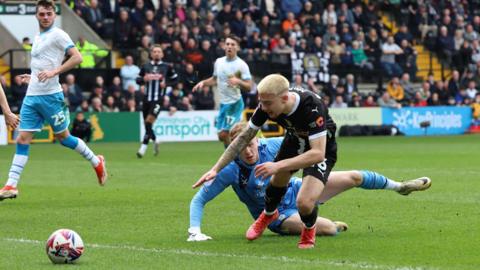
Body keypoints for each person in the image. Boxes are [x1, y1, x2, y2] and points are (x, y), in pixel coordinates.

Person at [188, 123, 431, 241]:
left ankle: (401, 187)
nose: (249, 151)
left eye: (251, 144)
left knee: (354, 177)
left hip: (297, 189)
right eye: (242, 147)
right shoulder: (230, 171)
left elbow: (302, 138)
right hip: (278, 216)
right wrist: (195, 231)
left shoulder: (271, 145)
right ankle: (332, 223)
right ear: (234, 149)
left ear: (258, 140)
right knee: (328, 230)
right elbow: (200, 199)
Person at [193, 74, 340, 249]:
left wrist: (276, 165)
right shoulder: (268, 102)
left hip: (321, 148)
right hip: (295, 139)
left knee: (304, 203)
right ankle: (269, 214)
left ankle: (308, 231)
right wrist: (216, 169)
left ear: (284, 99)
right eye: (261, 102)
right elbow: (242, 139)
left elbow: (317, 153)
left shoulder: (312, 107)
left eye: (267, 103)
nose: (263, 107)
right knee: (277, 180)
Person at [0, 0, 107, 202]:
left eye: (49, 13)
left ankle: (96, 161)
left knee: (64, 138)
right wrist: (32, 77)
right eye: (42, 14)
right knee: (22, 138)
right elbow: (42, 64)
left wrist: (54, 72)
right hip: (32, 96)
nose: (46, 17)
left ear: (54, 15)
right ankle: (11, 184)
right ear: (36, 15)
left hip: (51, 97)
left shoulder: (59, 34)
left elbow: (77, 58)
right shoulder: (39, 37)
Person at [192, 35, 252, 148]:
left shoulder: (242, 65)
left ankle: (234, 159)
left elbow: (249, 86)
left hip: (235, 103)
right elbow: (214, 79)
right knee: (221, 136)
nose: (229, 46)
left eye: (232, 44)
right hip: (223, 104)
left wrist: (238, 81)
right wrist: (203, 83)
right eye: (227, 44)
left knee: (225, 133)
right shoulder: (219, 62)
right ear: (224, 46)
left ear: (237, 48)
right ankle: (234, 154)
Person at [135, 44, 177, 158]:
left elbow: (176, 80)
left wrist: (166, 84)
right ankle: (155, 140)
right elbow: (137, 79)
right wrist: (143, 79)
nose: (157, 53)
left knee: (148, 122)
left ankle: (142, 149)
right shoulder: (145, 66)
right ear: (151, 54)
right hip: (146, 99)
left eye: (159, 51)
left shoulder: (167, 66)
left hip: (158, 99)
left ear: (162, 54)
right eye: (155, 51)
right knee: (147, 124)